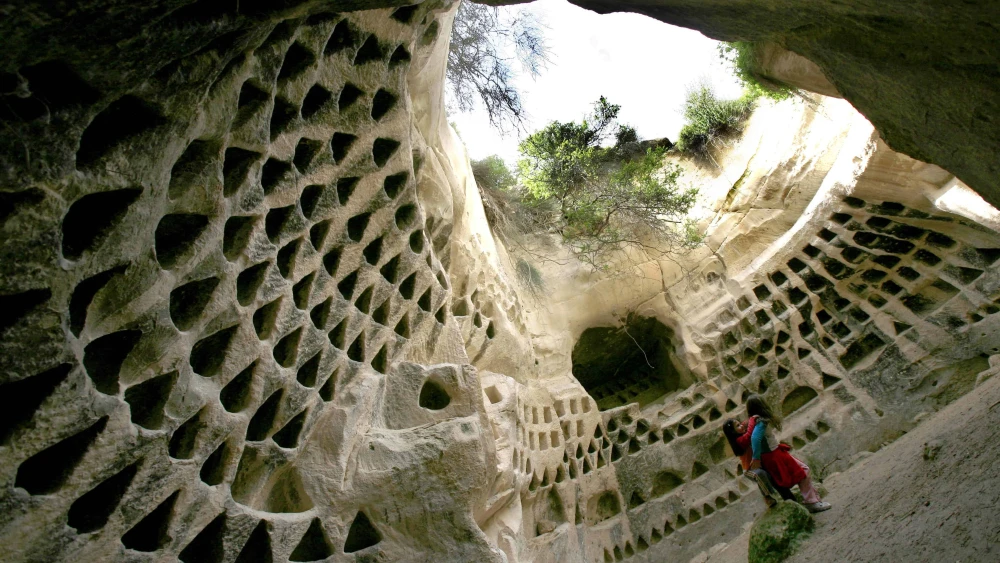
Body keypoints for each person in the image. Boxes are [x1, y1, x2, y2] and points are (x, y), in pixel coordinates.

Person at [746, 394, 832, 513]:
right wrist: (755, 458)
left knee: (801, 471)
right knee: (803, 470)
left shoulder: (754, 421)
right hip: (774, 455)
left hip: (773, 454)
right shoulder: (761, 421)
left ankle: (811, 500)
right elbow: (755, 438)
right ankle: (812, 502)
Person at [723, 417, 794, 506]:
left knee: (776, 481)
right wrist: (753, 419)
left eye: (740, 423)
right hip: (750, 470)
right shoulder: (740, 440)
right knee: (759, 474)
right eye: (738, 426)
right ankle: (767, 497)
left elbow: (746, 423)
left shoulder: (743, 435)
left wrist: (749, 420)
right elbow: (749, 436)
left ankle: (790, 499)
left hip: (761, 465)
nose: (741, 426)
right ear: (732, 432)